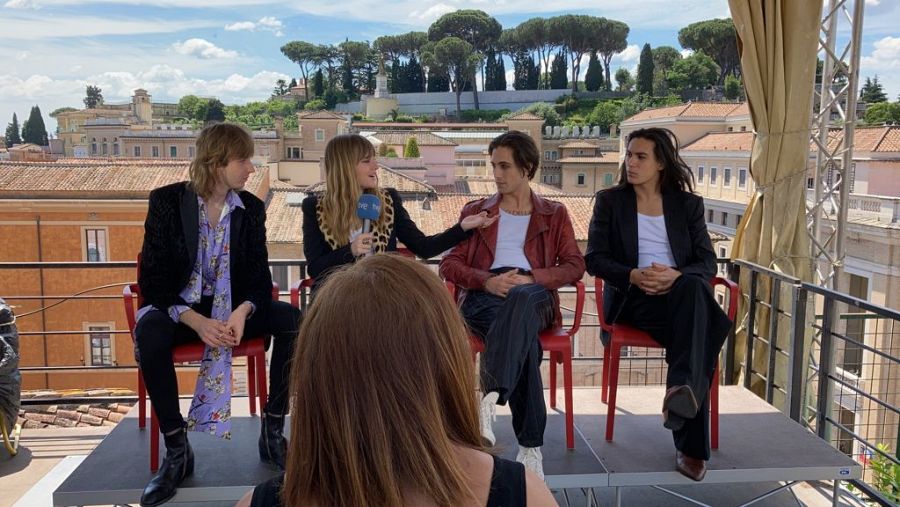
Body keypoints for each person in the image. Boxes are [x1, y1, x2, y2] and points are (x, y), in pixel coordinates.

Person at [237, 254, 557, 507]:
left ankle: (499, 395)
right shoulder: (524, 494)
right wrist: (487, 279)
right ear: (447, 363)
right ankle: (498, 396)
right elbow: (452, 262)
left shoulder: (258, 502)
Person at [134, 123, 300, 506]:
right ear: (217, 161)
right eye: (244, 159)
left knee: (293, 320)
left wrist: (244, 311)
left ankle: (272, 432)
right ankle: (177, 451)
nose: (251, 168)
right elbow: (152, 281)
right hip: (180, 311)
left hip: (232, 310)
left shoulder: (251, 210)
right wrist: (195, 320)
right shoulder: (166, 202)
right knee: (150, 334)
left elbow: (260, 278)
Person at [584, 127, 733, 482]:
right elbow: (595, 259)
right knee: (704, 328)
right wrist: (633, 275)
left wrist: (675, 276)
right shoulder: (610, 201)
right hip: (635, 300)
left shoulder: (687, 205)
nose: (631, 163)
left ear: (661, 162)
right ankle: (691, 444)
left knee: (692, 292)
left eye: (641, 156)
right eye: (629, 155)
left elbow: (706, 264)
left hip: (679, 295)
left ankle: (681, 395)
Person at [439, 131, 585, 479]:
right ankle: (531, 448)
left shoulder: (554, 213)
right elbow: (449, 264)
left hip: (534, 293)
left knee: (520, 299)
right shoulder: (477, 211)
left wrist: (534, 277)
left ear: (527, 167)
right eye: (494, 166)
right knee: (527, 349)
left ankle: (490, 394)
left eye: (505, 166)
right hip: (485, 297)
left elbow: (575, 266)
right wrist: (486, 280)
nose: (497, 174)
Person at [301, 134, 495, 287]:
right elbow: (316, 269)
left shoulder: (388, 200)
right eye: (367, 161)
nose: (376, 166)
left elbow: (424, 247)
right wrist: (350, 250)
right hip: (336, 299)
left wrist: (462, 228)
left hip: (382, 294)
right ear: (345, 167)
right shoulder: (315, 208)